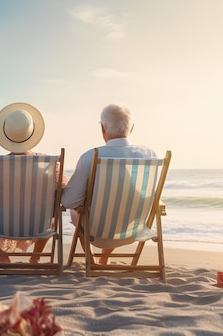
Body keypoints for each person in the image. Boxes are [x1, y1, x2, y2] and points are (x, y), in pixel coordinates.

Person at [0, 102, 67, 263]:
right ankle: (35, 258)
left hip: (3, 226)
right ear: (32, 132)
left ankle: (3, 258)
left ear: (6, 133)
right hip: (39, 226)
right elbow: (64, 192)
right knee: (52, 208)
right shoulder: (49, 164)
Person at [61, 103, 156, 264]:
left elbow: (69, 201)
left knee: (76, 209)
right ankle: (103, 259)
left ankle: (91, 261)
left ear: (103, 129)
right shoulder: (149, 155)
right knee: (122, 202)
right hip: (133, 232)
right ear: (131, 128)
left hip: (97, 233)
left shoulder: (90, 157)